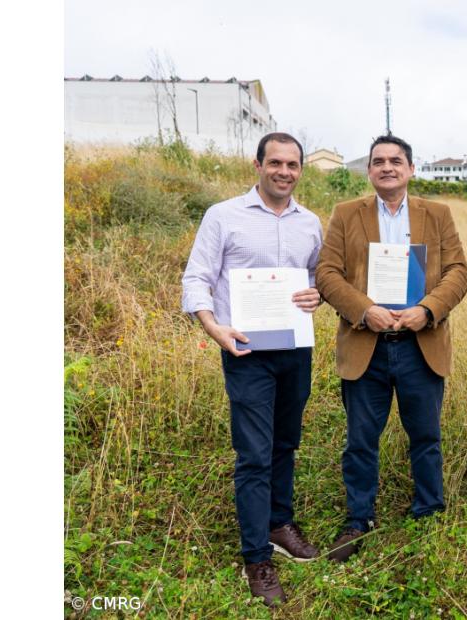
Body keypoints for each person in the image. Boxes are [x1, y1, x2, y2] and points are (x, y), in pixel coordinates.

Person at [180, 132, 323, 606]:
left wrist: (317, 294)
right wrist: (213, 327)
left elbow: (319, 278)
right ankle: (256, 556)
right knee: (254, 453)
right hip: (245, 352)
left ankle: (279, 523)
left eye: (293, 165)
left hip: (295, 350)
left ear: (300, 170)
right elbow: (198, 276)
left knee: (286, 442)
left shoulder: (311, 223)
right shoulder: (224, 216)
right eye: (276, 163)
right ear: (258, 165)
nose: (285, 172)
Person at [316, 134, 467, 562]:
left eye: (396, 160)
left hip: (421, 343)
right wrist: (364, 310)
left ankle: (428, 511)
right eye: (378, 161)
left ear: (410, 169)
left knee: (425, 436)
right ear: (369, 171)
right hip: (368, 345)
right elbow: (327, 274)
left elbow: (457, 271)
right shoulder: (346, 215)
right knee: (361, 440)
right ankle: (358, 520)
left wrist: (428, 309)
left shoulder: (436, 214)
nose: (387, 167)